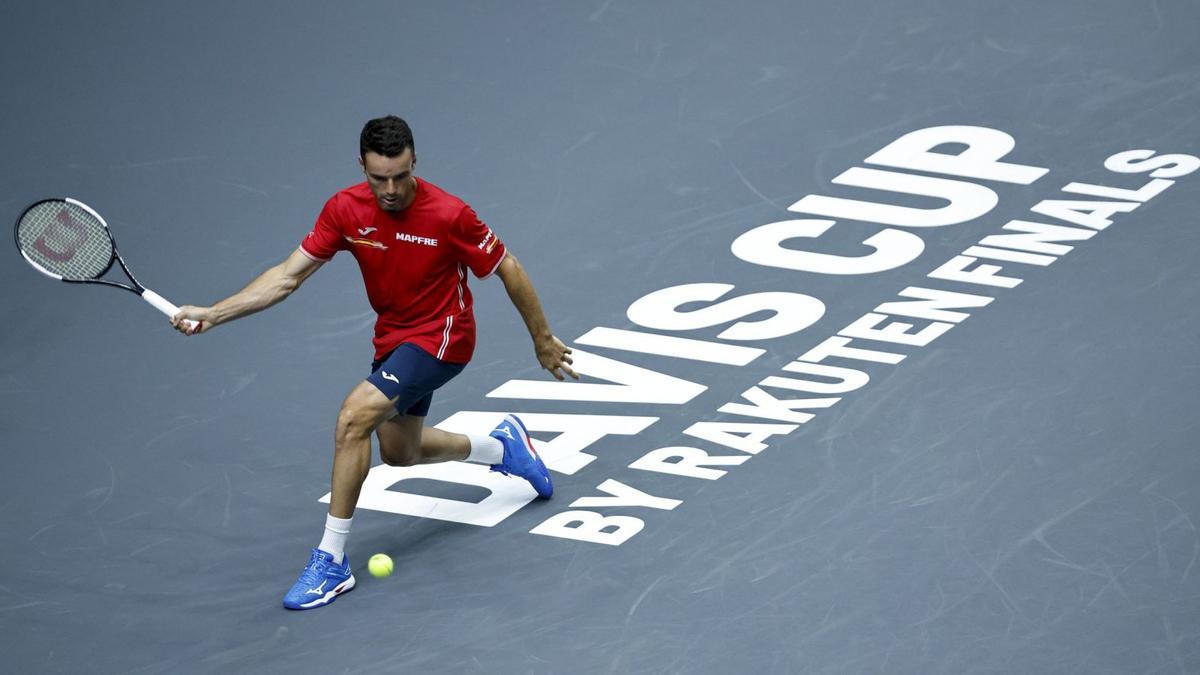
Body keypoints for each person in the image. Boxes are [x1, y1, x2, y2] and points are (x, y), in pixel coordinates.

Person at [170, 115, 578, 610]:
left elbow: (506, 265)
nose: (389, 189)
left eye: (400, 176)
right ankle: (503, 448)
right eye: (378, 177)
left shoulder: (449, 214)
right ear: (361, 165)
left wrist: (542, 339)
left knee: (352, 419)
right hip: (394, 339)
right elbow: (286, 276)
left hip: (444, 337)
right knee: (401, 453)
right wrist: (216, 313)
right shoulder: (344, 210)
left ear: (414, 164)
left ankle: (331, 561)